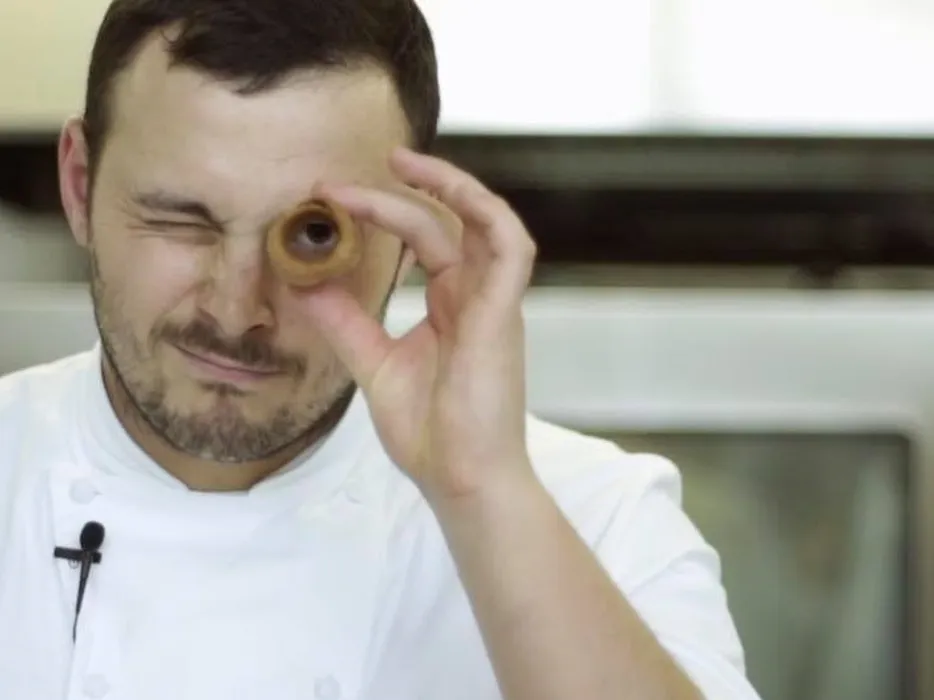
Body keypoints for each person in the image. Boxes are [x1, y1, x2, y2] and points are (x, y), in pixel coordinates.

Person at [0, 1, 762, 699]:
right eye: (180, 221)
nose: (237, 311)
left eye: (311, 235)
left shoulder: (592, 519)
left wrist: (479, 489)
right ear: (80, 185)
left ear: (407, 234)